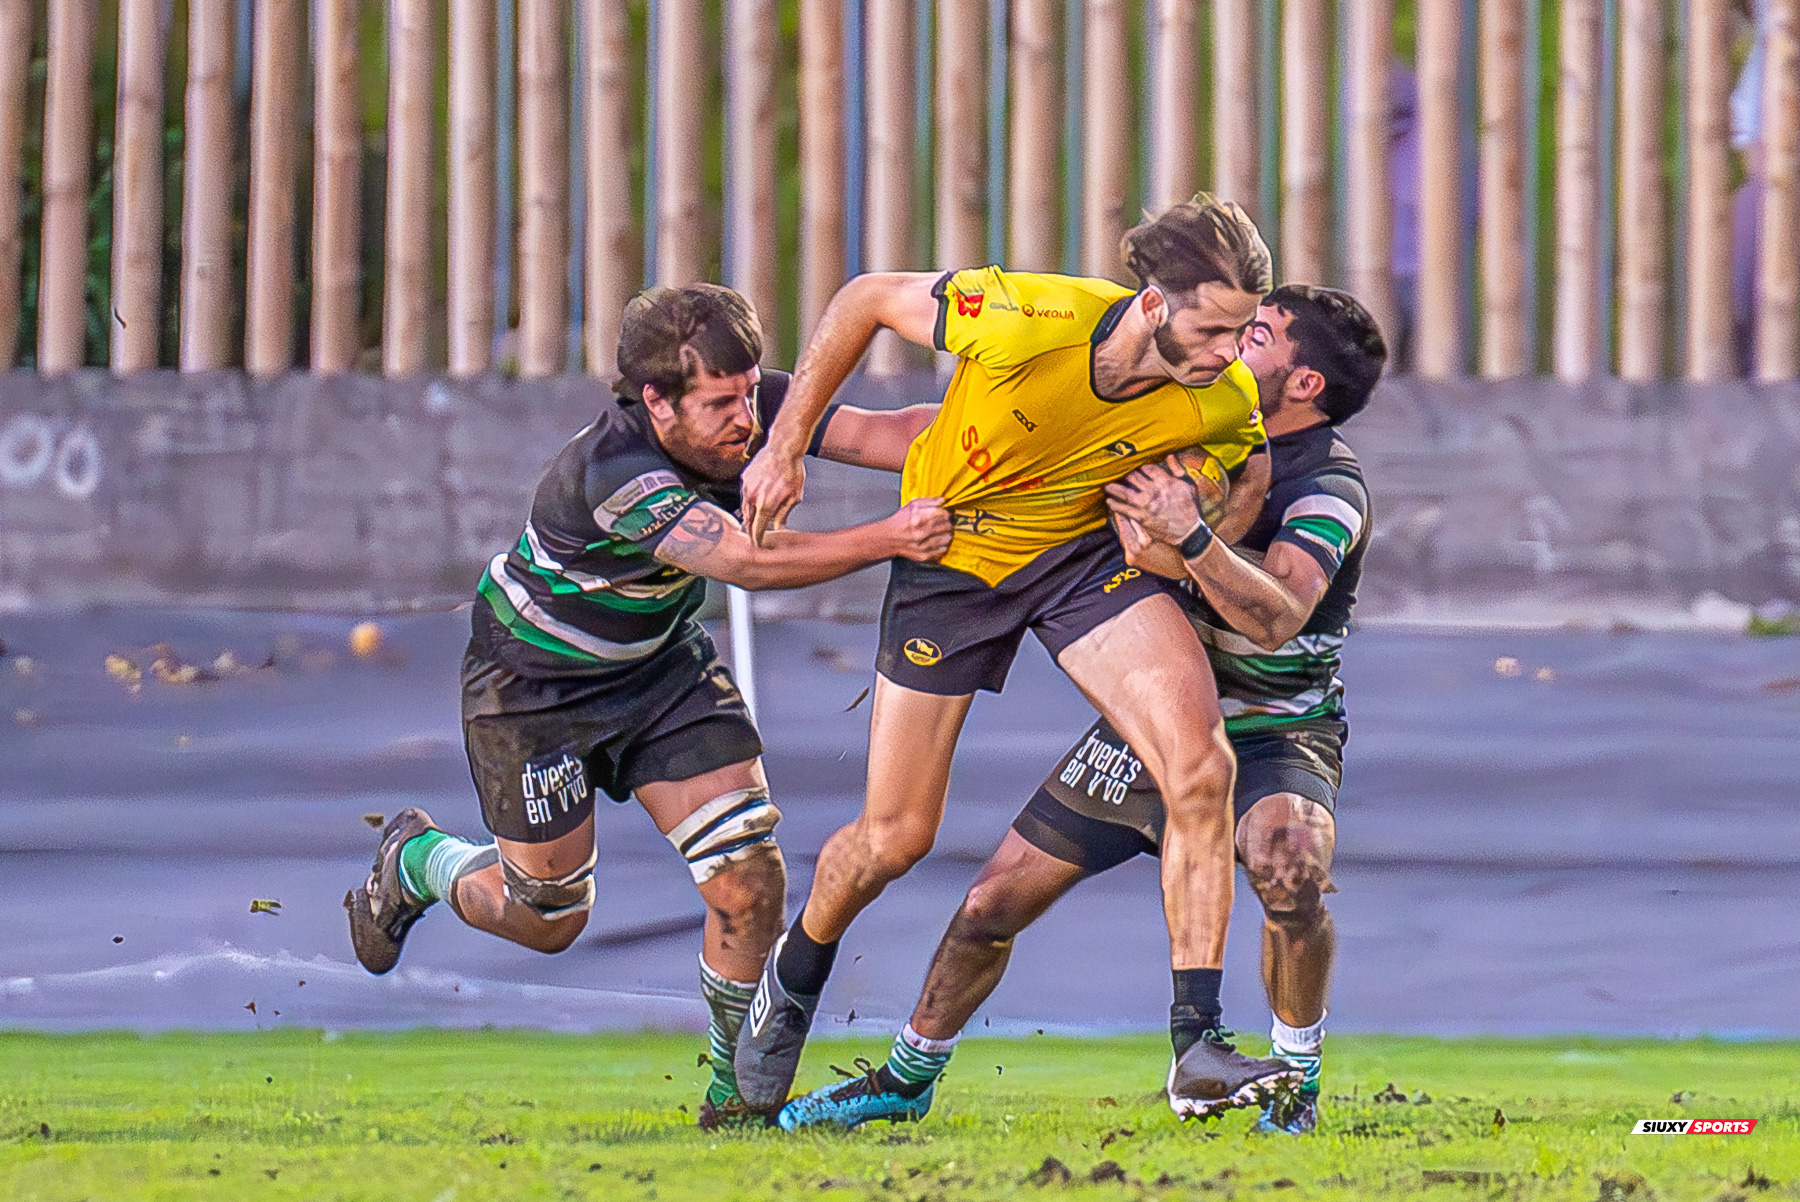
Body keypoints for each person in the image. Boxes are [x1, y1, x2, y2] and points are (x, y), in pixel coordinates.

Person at [732, 197, 1297, 1120]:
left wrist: (1194, 521)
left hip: (1076, 562)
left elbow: (1248, 467)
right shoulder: (1031, 315)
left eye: (1244, 332)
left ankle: (1197, 1041)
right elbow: (866, 297)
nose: (1232, 353)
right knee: (895, 837)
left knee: (1201, 768)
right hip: (945, 561)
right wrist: (786, 446)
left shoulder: (1222, 392)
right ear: (1154, 304)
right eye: (1214, 328)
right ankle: (793, 976)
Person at [343, 284, 950, 1127]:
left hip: (659, 670)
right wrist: (893, 537)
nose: (745, 419)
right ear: (655, 400)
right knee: (549, 918)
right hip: (533, 692)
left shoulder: (754, 401)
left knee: (748, 873)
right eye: (719, 404)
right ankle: (419, 862)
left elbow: (895, 432)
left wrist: (1027, 423)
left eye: (749, 395)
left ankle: (733, 1099)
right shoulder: (617, 473)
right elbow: (745, 562)